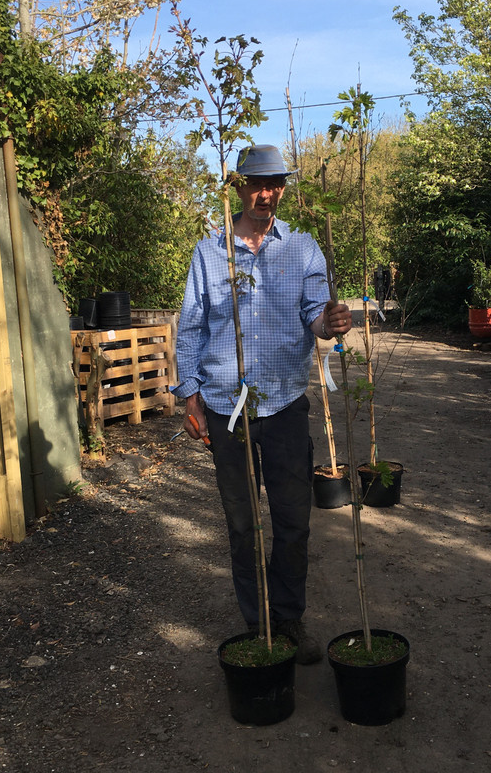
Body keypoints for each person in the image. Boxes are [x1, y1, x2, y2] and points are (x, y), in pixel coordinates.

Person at [171, 144, 353, 664]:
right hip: (227, 409)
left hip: (285, 408)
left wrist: (330, 325)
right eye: (256, 183)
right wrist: (189, 395)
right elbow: (192, 326)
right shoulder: (211, 252)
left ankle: (290, 619)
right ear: (239, 188)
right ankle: (259, 624)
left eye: (274, 184)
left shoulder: (302, 249)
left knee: (293, 521)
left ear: (282, 189)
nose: (265, 193)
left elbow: (316, 315)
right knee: (243, 524)